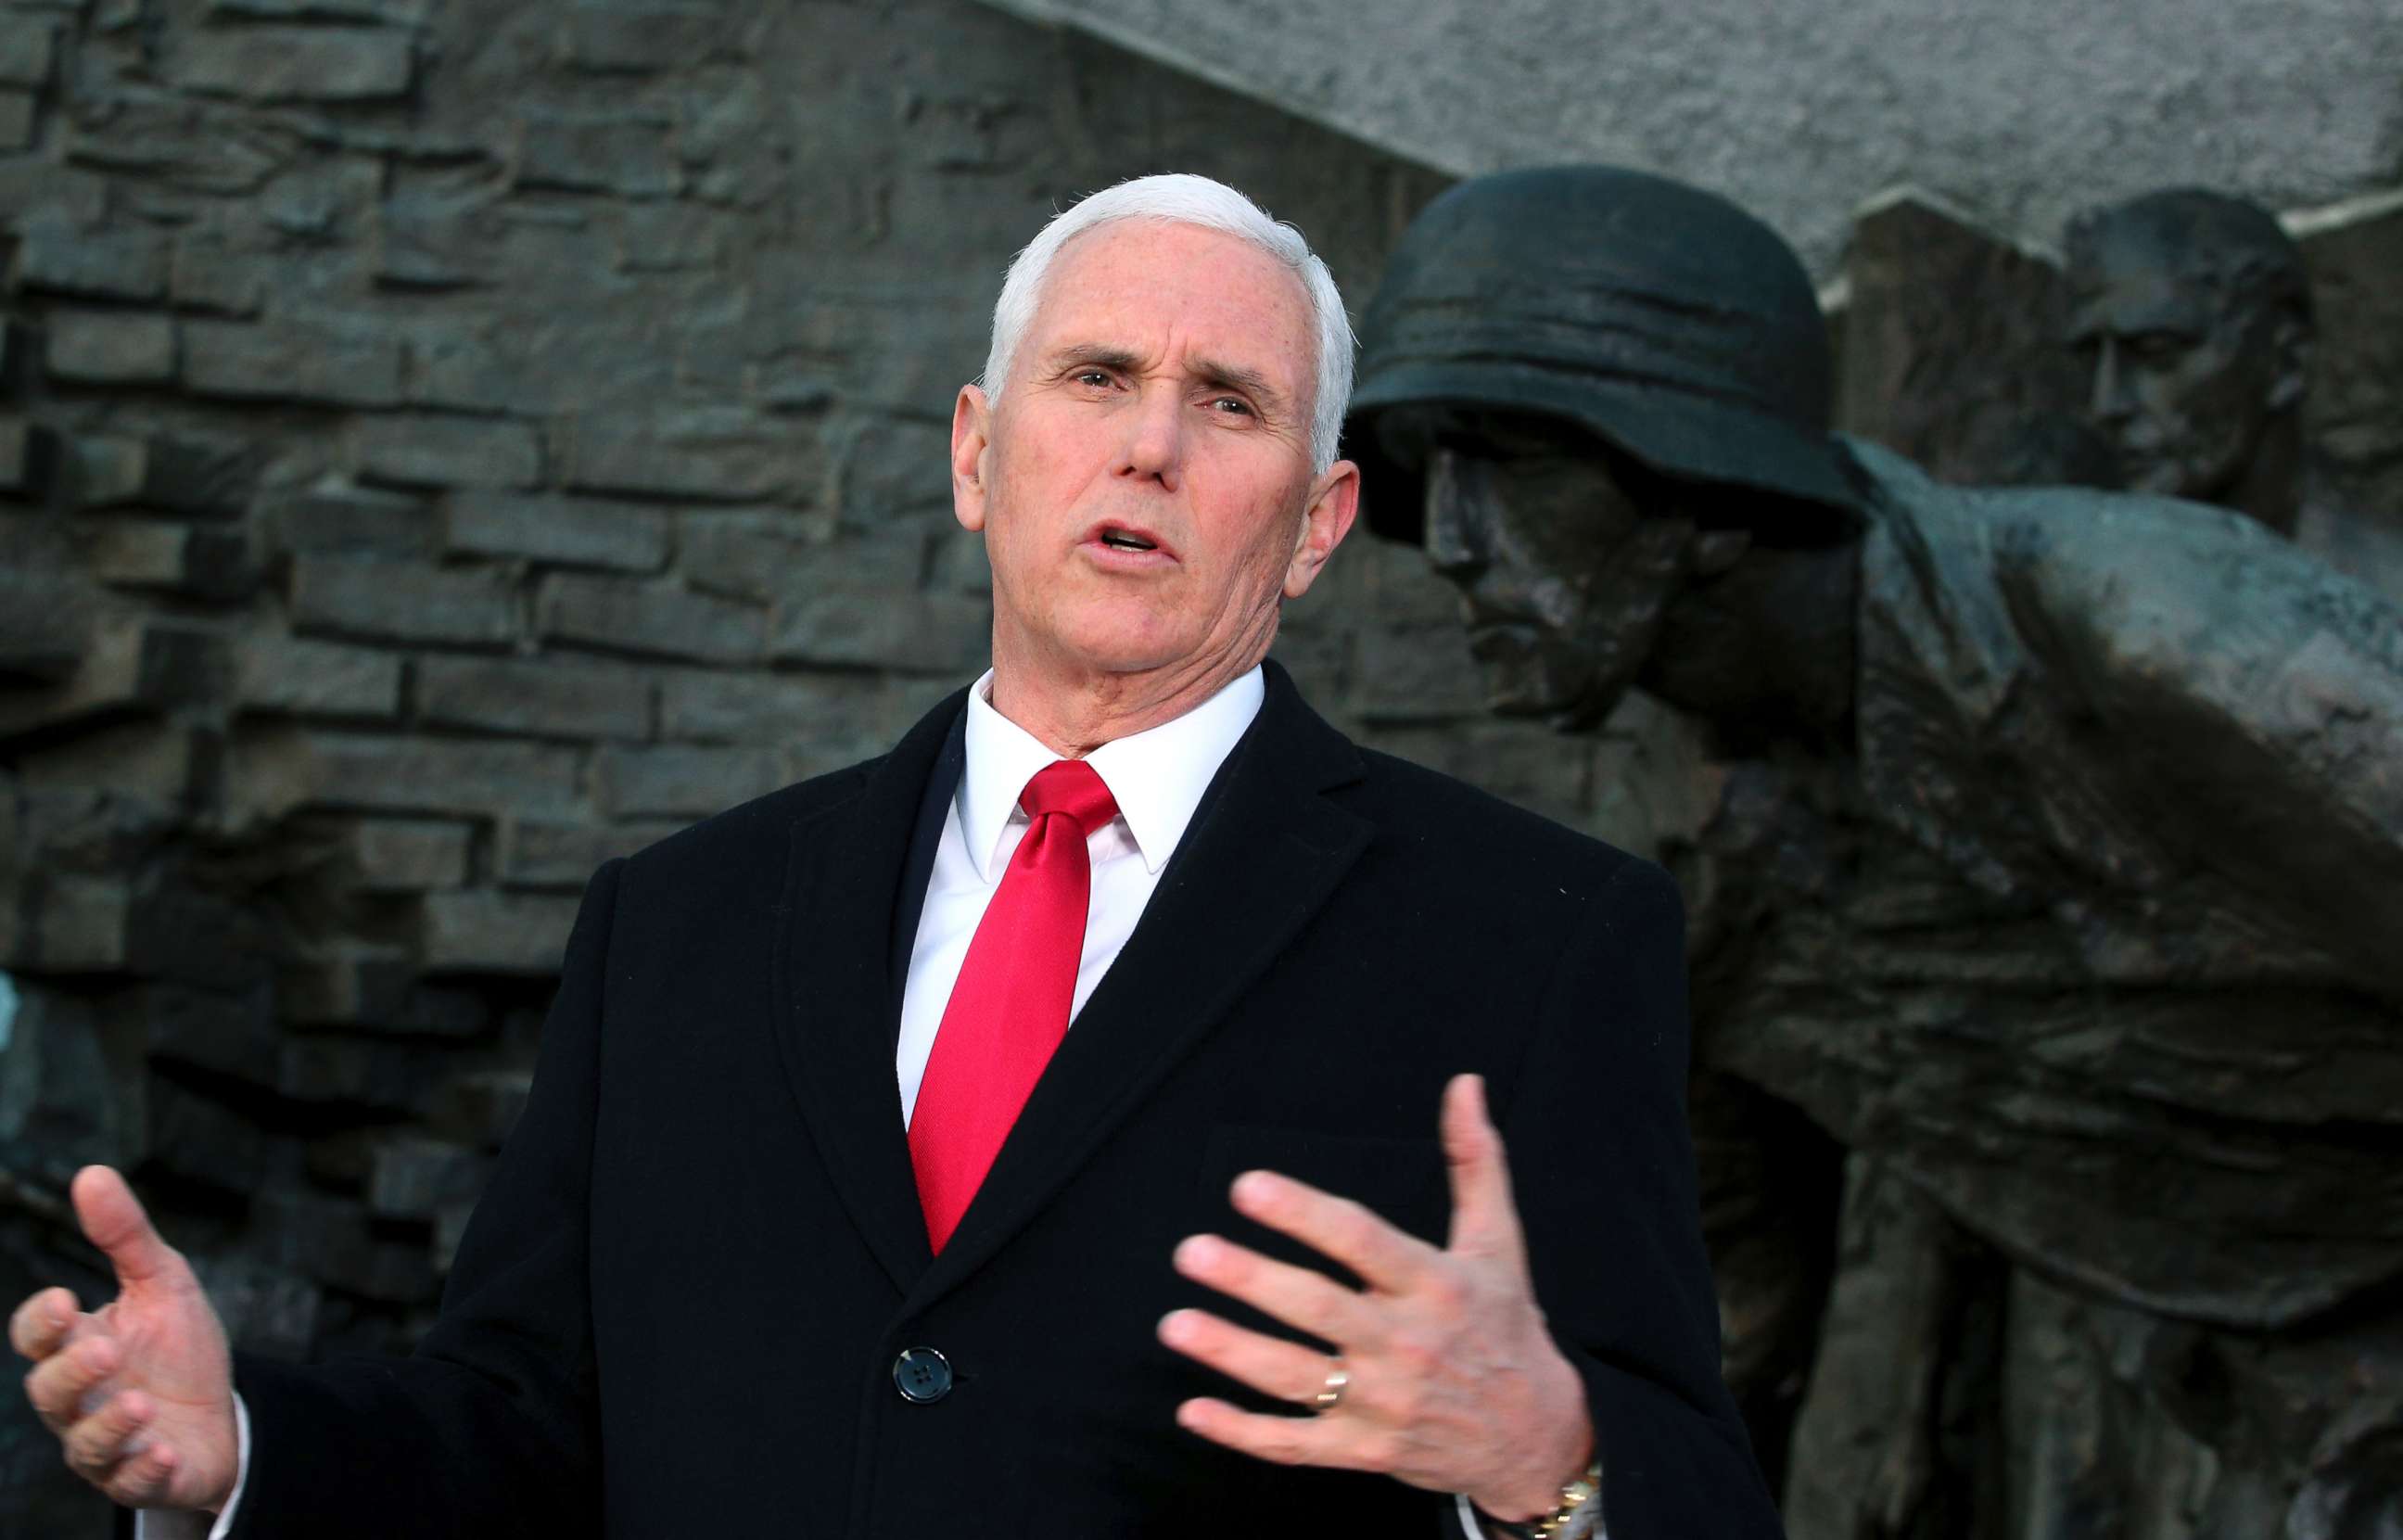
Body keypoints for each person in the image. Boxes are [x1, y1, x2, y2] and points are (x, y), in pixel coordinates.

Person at [10, 174, 1777, 1538]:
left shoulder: (1538, 938)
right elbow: (524, 1430)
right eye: (1096, 376)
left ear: (1315, 528)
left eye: (1228, 402)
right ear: (977, 455)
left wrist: (1546, 1456)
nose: (1148, 442)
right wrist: (240, 1450)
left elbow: (1689, 1472)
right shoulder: (681, 926)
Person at [1346, 164, 2403, 1533]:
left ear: (1710, 496)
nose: (1451, 542)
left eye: (1512, 461)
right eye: (1434, 474)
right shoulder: (1680, 901)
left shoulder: (2139, 627)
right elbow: (1722, 1345)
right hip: (2281, 1412)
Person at [2064, 187, 2403, 596]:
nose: (2106, 404)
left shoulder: (2383, 592)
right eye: (2089, 361)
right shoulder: (2078, 590)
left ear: (2285, 359)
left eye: (2156, 354)